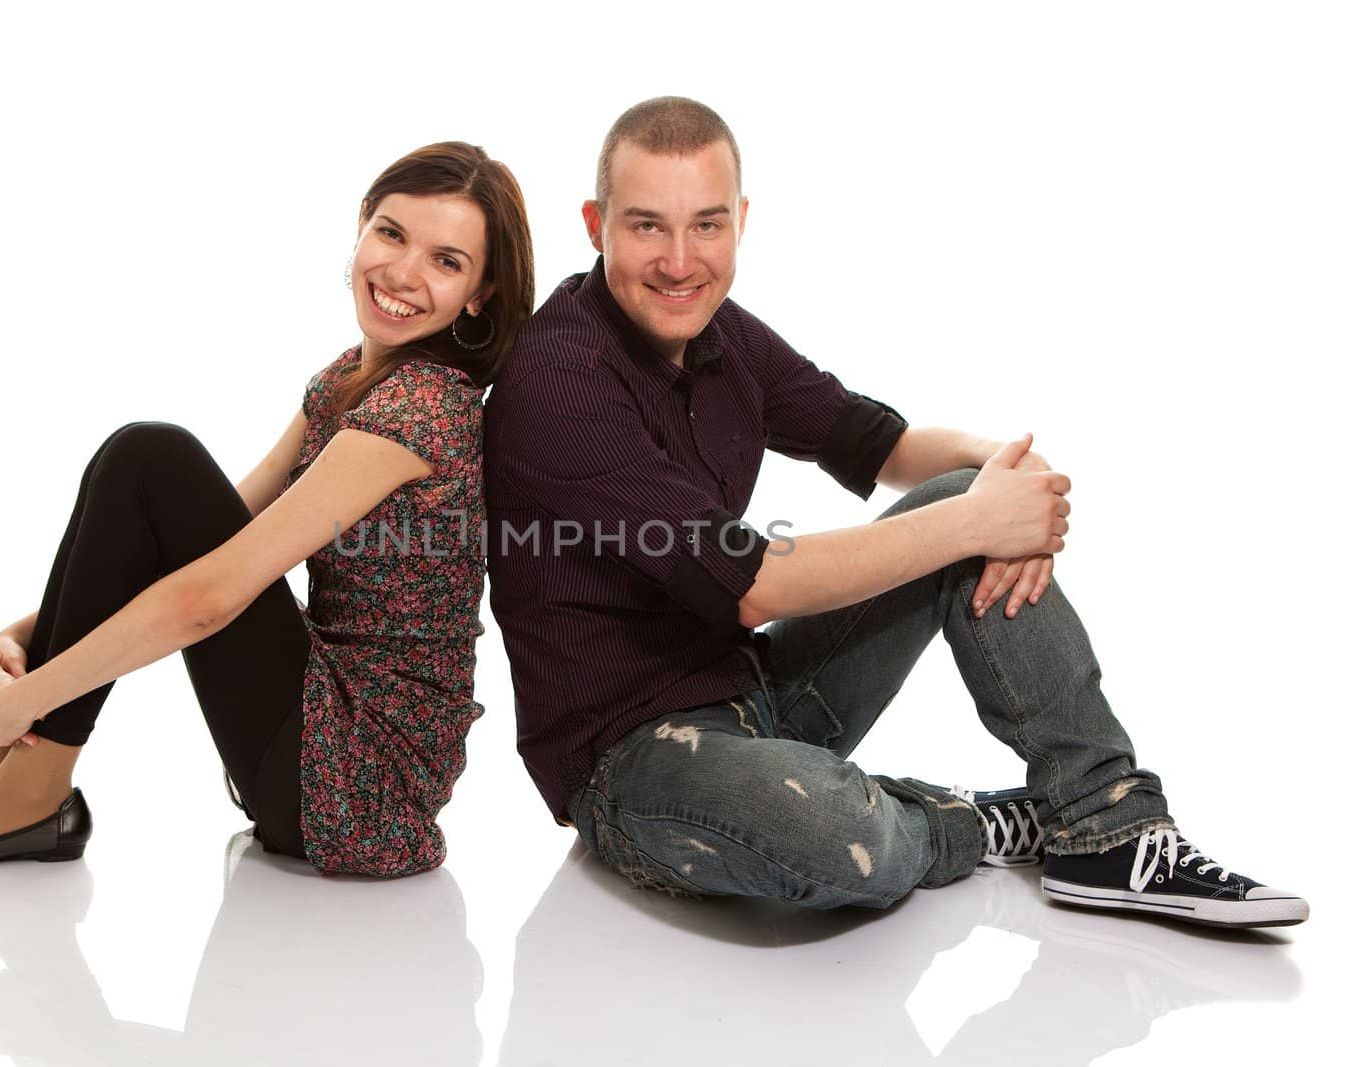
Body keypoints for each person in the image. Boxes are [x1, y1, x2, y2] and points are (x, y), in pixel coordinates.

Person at [483, 97, 1307, 928]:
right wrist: (978, 521)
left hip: (756, 690)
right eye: (647, 226)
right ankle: (974, 820)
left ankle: (1108, 823)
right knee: (840, 836)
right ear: (596, 225)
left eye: (705, 225)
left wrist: (1010, 475)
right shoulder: (557, 382)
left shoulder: (723, 333)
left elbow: (887, 447)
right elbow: (754, 586)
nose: (679, 259)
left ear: (741, 221)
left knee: (960, 500)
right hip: (628, 760)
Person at [0, 141, 535, 877]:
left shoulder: (421, 406)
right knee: (142, 462)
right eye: (393, 234)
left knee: (153, 457)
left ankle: (31, 777)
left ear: (480, 294)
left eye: (446, 261)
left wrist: (29, 696)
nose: (402, 274)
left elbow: (208, 598)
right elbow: (212, 530)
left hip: (356, 784)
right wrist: (34, 630)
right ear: (362, 226)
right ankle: (5, 766)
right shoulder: (349, 377)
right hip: (313, 739)